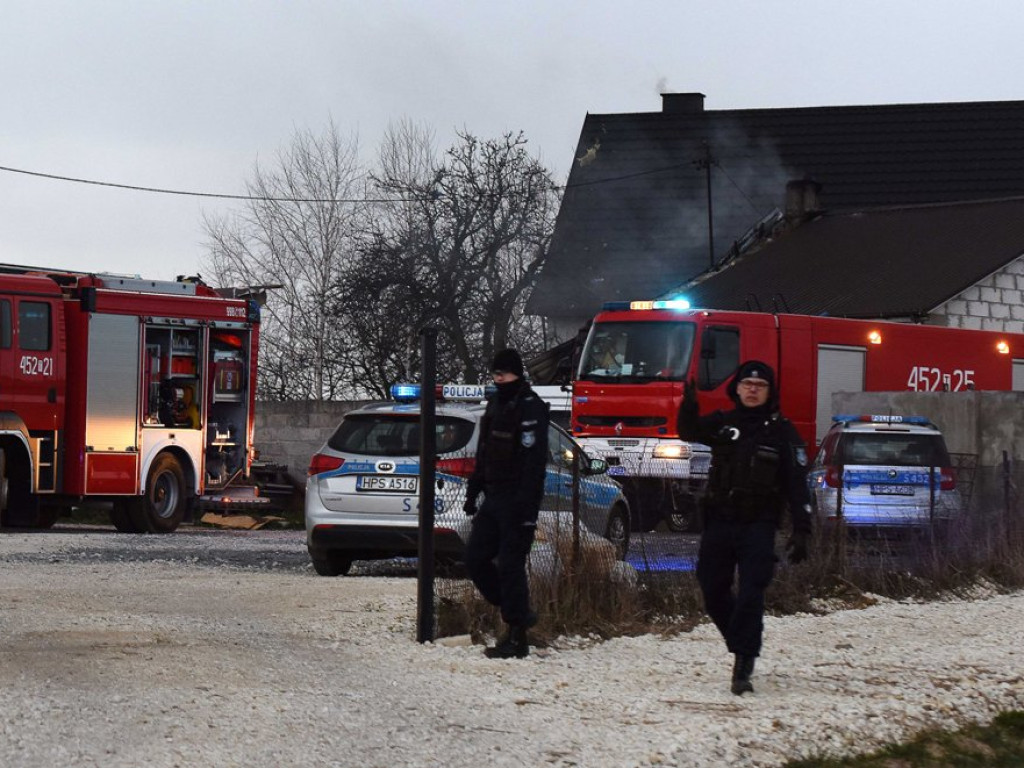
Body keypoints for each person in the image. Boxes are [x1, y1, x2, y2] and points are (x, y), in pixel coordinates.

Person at [676, 360, 811, 695]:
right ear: (736, 387)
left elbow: (797, 483)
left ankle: (743, 664)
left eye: (760, 385)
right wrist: (689, 406)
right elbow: (689, 432)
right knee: (712, 589)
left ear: (770, 392)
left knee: (752, 592)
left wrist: (802, 528)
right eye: (747, 383)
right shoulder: (724, 423)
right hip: (720, 519)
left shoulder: (782, 432)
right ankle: (741, 641)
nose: (752, 389)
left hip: (759, 524)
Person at [463, 348, 550, 659]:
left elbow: (534, 463)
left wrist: (528, 509)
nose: (498, 379)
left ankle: (516, 637)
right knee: (475, 559)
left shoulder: (531, 408)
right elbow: (484, 453)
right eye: (495, 374)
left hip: (517, 500)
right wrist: (473, 492)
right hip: (493, 496)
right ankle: (520, 612)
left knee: (511, 566)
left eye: (503, 374)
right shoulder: (496, 404)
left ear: (516, 373)